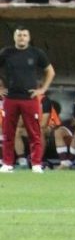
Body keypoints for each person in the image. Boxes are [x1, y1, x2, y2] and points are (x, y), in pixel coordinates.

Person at [0, 27, 55, 173]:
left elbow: (50, 71)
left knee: (34, 132)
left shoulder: (36, 53)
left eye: (24, 35)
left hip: (30, 98)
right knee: (8, 132)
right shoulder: (6, 52)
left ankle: (36, 163)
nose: (21, 38)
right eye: (19, 35)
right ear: (14, 37)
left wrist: (42, 89)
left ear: (29, 38)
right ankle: (7, 163)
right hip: (10, 98)